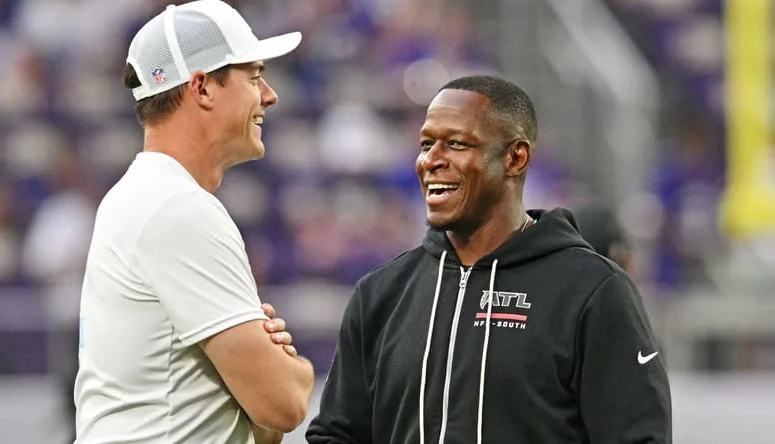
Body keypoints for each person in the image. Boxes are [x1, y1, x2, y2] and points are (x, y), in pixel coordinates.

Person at [307, 75, 671, 443]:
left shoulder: (592, 290)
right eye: (426, 143)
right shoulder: (380, 294)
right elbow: (337, 434)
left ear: (516, 157)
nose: (431, 160)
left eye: (456, 144)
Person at [74, 1, 314, 443]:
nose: (269, 95)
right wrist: (291, 366)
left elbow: (261, 430)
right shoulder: (176, 207)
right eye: (254, 76)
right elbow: (284, 404)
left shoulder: (144, 195)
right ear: (202, 87)